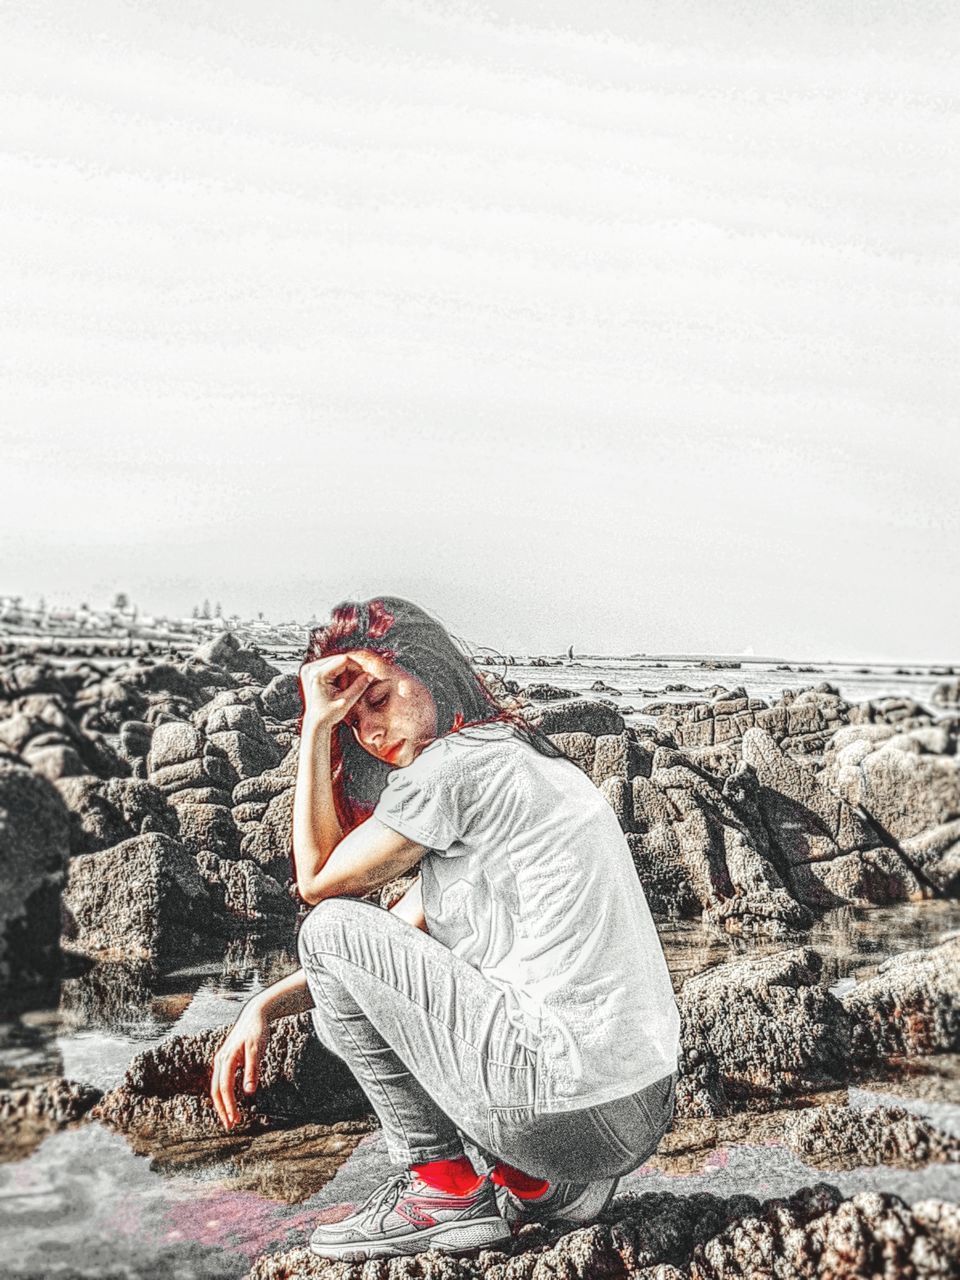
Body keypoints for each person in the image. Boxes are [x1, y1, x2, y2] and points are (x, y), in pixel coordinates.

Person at [210, 596, 680, 1262]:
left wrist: (316, 725)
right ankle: (536, 1183)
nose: (368, 731)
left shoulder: (453, 768)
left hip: (564, 1106)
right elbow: (393, 947)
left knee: (327, 928)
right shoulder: (520, 758)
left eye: (376, 699)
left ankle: (441, 1187)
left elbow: (318, 888)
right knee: (343, 979)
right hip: (636, 1110)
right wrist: (263, 1006)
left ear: (425, 667)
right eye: (352, 724)